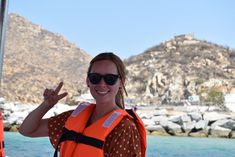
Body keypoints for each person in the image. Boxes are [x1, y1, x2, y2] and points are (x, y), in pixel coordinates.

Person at [19, 52, 146, 157]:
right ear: (87, 81)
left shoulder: (125, 128)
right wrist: (46, 105)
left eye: (110, 79)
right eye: (95, 78)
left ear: (121, 82)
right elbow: (27, 130)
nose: (102, 84)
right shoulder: (73, 118)